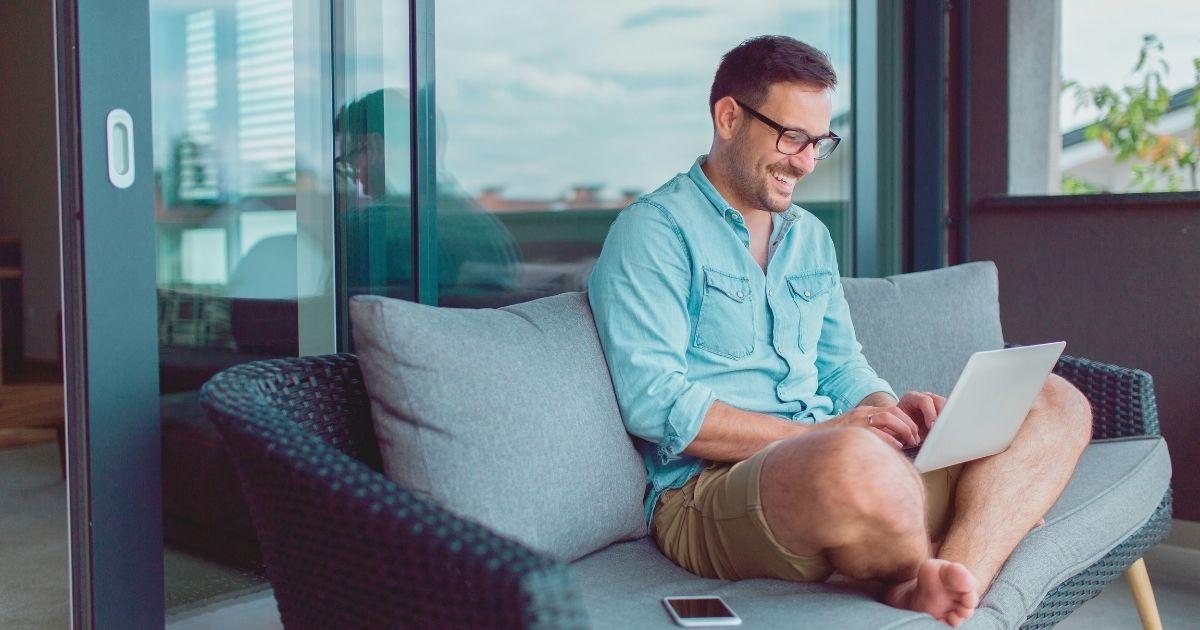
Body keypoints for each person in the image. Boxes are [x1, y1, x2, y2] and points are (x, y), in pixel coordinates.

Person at [586, 35, 1092, 628]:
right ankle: (962, 528)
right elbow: (655, 403)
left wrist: (886, 412)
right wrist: (823, 434)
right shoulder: (655, 232)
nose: (804, 161)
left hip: (849, 467)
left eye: (819, 142)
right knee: (852, 460)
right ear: (728, 117)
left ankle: (949, 581)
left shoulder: (808, 237)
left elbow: (839, 365)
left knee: (1057, 400)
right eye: (791, 136)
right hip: (712, 495)